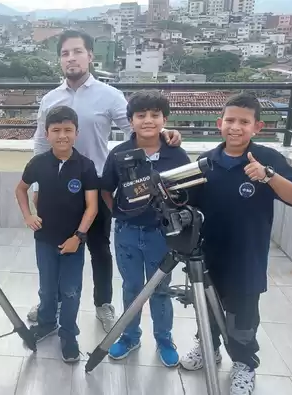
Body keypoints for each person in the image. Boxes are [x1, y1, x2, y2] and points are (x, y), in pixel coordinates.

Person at [29, 29, 183, 332]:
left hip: (97, 186)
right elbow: (39, 142)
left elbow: (137, 131)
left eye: (77, 51)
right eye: (65, 53)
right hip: (57, 189)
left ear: (90, 56)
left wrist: (166, 134)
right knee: (53, 246)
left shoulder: (109, 95)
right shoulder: (50, 99)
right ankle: (52, 301)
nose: (71, 58)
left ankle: (103, 304)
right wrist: (36, 184)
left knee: (99, 249)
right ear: (60, 60)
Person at [178, 93, 292, 395]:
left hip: (246, 256)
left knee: (242, 315)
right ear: (219, 123)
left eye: (244, 122)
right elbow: (189, 203)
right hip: (208, 254)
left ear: (257, 127)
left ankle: (244, 364)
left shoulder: (267, 159)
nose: (236, 127)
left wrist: (268, 176)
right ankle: (208, 348)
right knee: (206, 308)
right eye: (230, 120)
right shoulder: (206, 162)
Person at [100, 91, 191, 366]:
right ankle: (129, 336)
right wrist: (118, 213)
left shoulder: (176, 154)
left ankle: (164, 339)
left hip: (161, 235)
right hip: (127, 232)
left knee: (160, 289)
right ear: (130, 121)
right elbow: (106, 188)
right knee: (131, 287)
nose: (148, 121)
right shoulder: (119, 153)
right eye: (141, 116)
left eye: (155, 115)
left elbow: (187, 191)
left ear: (165, 119)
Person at [15, 105, 99, 363]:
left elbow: (92, 207)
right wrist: (28, 215)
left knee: (71, 290)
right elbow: (21, 190)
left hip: (74, 241)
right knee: (47, 287)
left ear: (76, 132)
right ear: (46, 133)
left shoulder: (85, 166)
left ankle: (69, 334)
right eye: (56, 130)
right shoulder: (38, 163)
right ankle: (47, 322)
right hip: (45, 239)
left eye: (68, 130)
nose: (62, 135)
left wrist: (79, 236)